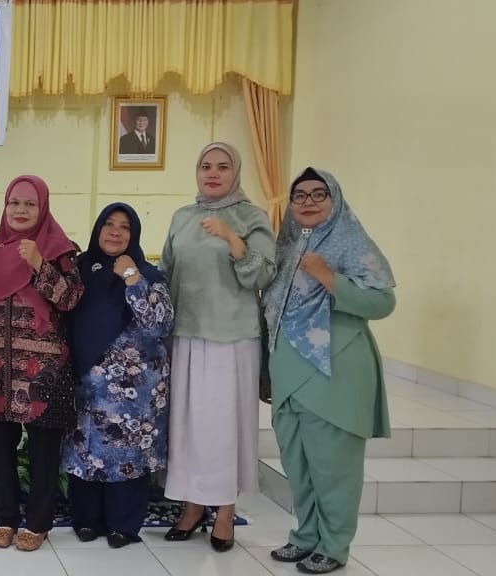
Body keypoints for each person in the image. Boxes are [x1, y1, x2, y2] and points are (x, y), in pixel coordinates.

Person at [264, 168, 395, 575]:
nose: (308, 202)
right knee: (298, 465)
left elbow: (383, 302)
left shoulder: (351, 242)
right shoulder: (285, 245)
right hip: (287, 371)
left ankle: (334, 546)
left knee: (334, 467)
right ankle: (306, 535)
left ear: (334, 200)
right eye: (299, 195)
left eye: (318, 194)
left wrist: (327, 277)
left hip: (334, 370)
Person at [159, 142, 276, 551]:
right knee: (188, 426)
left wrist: (232, 239)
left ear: (235, 173)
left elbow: (262, 275)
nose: (213, 173)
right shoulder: (183, 216)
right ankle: (193, 505)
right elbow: (167, 272)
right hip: (185, 334)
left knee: (224, 427)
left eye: (223, 167)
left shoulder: (251, 216)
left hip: (232, 337)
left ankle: (225, 509)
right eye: (205, 166)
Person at [0, 175, 83, 551]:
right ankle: (5, 517)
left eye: (30, 204)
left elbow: (71, 300)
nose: (20, 210)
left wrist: (39, 263)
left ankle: (38, 522)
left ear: (43, 207)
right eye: (14, 203)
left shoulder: (61, 251)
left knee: (43, 453)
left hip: (44, 370)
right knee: (1, 448)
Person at [62, 203, 174, 548]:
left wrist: (131, 278)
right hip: (86, 382)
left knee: (128, 453)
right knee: (85, 449)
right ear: (97, 229)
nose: (115, 232)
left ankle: (123, 525)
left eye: (124, 227)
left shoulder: (148, 274)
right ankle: (86, 520)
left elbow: (159, 324)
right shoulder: (79, 271)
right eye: (108, 224)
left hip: (133, 391)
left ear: (134, 234)